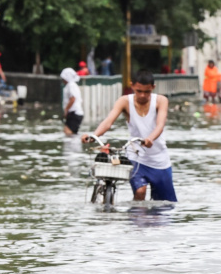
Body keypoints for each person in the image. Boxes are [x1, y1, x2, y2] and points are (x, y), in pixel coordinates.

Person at [81, 70, 177, 202]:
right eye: (138, 91)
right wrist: (93, 136)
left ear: (153, 88)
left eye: (147, 92)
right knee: (140, 191)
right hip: (136, 156)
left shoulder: (161, 100)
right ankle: (136, 220)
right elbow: (108, 122)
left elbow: (160, 125)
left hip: (159, 160)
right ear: (132, 86)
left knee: (166, 205)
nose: (142, 95)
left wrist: (150, 138)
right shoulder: (124, 101)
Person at [60, 68, 84, 135]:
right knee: (71, 133)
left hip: (74, 113)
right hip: (74, 114)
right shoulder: (71, 85)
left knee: (68, 133)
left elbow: (73, 98)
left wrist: (66, 110)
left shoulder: (71, 85)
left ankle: (74, 145)